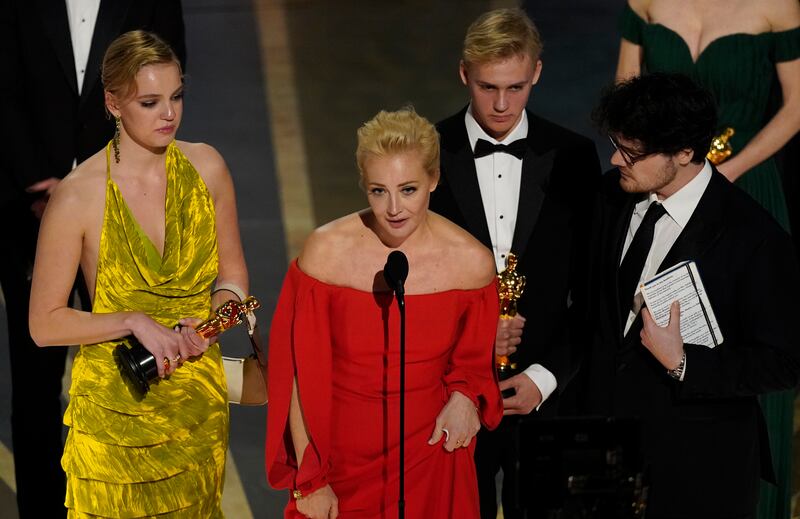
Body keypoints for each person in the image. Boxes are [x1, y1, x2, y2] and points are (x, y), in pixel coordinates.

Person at [27, 30, 247, 517]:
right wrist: (133, 321)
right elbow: (44, 324)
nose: (169, 114)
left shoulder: (208, 168)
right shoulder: (78, 194)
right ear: (113, 103)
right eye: (150, 102)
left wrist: (209, 326)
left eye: (176, 97)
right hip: (115, 418)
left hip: (196, 411)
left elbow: (233, 282)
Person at [266, 108, 503, 518]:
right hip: (338, 468)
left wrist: (466, 397)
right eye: (379, 191)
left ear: (434, 179)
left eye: (408, 189)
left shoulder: (472, 264)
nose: (394, 208)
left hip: (430, 458)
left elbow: (473, 365)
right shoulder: (326, 253)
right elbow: (296, 379)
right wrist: (311, 481)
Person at [584, 71, 800, 518]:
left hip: (699, 468)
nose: (615, 158)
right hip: (604, 457)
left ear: (684, 151)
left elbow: (784, 362)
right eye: (617, 142)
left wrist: (683, 361)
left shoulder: (755, 238)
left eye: (632, 151)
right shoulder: (610, 196)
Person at [0, 2, 185, 516]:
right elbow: (4, 87)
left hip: (126, 212)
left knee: (136, 372)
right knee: (35, 384)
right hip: (28, 210)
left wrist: (107, 188)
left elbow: (166, 77)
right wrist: (46, 189)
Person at [429, 8, 600, 518]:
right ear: (464, 73)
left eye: (517, 88)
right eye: (487, 88)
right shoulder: (427, 153)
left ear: (538, 73)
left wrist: (546, 377)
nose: (501, 105)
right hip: (451, 395)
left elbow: (592, 291)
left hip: (547, 395)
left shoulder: (574, 158)